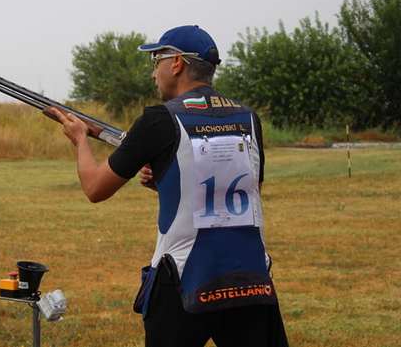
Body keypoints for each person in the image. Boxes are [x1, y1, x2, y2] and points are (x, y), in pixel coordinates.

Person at [48, 25, 288, 347]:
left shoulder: (159, 119)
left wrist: (80, 139)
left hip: (182, 276)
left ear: (176, 63)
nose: (153, 73)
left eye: (156, 60)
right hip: (249, 276)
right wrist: (166, 181)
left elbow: (95, 188)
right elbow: (245, 189)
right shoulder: (248, 118)